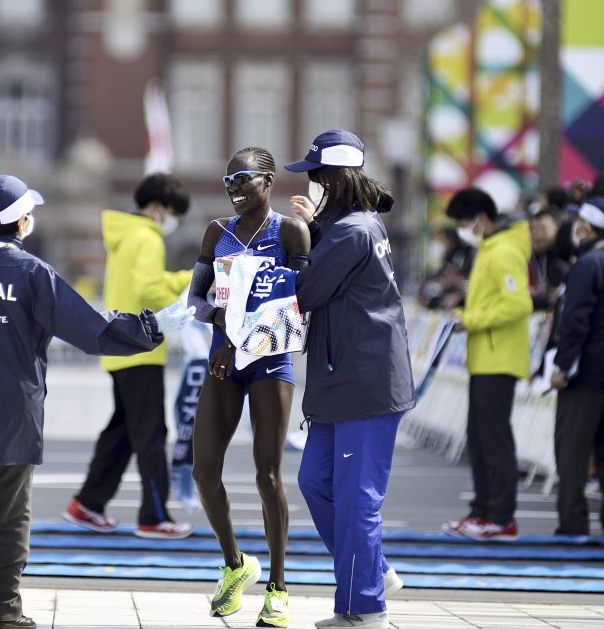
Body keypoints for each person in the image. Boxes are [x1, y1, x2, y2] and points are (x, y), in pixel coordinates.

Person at [0, 174, 194, 629]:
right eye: (29, 211)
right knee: (10, 513)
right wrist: (151, 326)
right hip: (11, 407)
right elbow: (89, 329)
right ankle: (5, 608)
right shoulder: (31, 273)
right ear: (21, 220)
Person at [282, 129, 414, 629]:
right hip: (346, 377)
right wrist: (314, 226)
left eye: (315, 175)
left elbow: (305, 289)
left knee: (358, 498)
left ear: (333, 180)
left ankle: (364, 608)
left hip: (364, 381)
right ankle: (375, 570)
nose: (310, 182)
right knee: (315, 481)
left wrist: (301, 233)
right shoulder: (350, 227)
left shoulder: (354, 231)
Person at [183, 147, 309, 626]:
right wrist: (219, 319)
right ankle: (236, 566)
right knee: (203, 473)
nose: (233, 187)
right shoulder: (217, 233)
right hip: (224, 361)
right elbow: (197, 297)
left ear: (268, 180)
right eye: (227, 179)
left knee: (268, 475)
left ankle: (278, 587)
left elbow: (299, 306)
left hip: (270, 363)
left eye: (242, 178)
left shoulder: (292, 232)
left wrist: (242, 341)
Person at [64, 172, 195, 540]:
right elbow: (150, 288)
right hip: (141, 347)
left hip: (120, 345)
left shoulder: (125, 237)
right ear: (157, 208)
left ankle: (88, 503)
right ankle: (153, 516)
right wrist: (190, 280)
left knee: (122, 432)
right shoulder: (146, 237)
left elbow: (139, 284)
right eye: (172, 212)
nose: (173, 220)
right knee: (151, 434)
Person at [442, 187, 532, 541]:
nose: (462, 229)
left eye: (464, 222)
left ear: (481, 219)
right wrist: (465, 315)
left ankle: (500, 516)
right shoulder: (488, 250)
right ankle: (482, 512)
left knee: (493, 441)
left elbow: (518, 304)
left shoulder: (504, 251)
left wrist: (471, 320)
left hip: (499, 359)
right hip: (485, 359)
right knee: (478, 439)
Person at [550, 196, 604, 536]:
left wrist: (561, 366)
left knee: (572, 452)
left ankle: (573, 524)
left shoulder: (588, 264)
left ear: (585, 226)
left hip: (585, 377)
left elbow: (575, 322)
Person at [418, 227, 474, 310]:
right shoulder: (448, 256)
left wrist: (456, 281)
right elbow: (440, 275)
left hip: (462, 296)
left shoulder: (466, 252)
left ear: (450, 240)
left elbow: (465, 279)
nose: (440, 245)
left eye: (442, 241)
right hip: (449, 294)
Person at [527, 209, 569, 311]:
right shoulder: (527, 257)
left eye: (543, 229)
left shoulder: (563, 261)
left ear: (557, 229)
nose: (537, 235)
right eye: (533, 229)